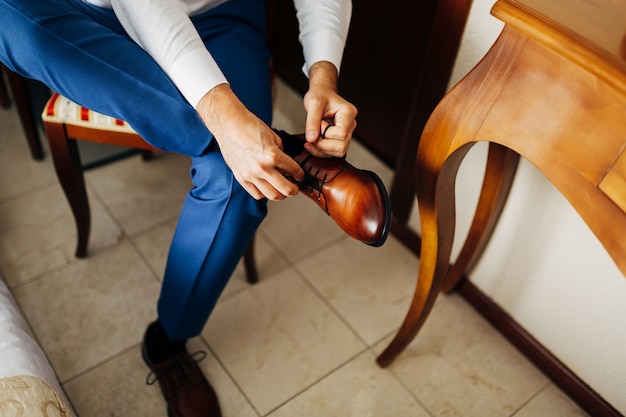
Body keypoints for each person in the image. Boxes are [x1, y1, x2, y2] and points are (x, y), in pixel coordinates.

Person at [0, 0, 390, 415]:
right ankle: (285, 147)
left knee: (240, 184)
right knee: (12, 20)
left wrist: (323, 73)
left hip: (218, 14)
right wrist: (225, 120)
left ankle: (166, 344)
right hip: (87, 14)